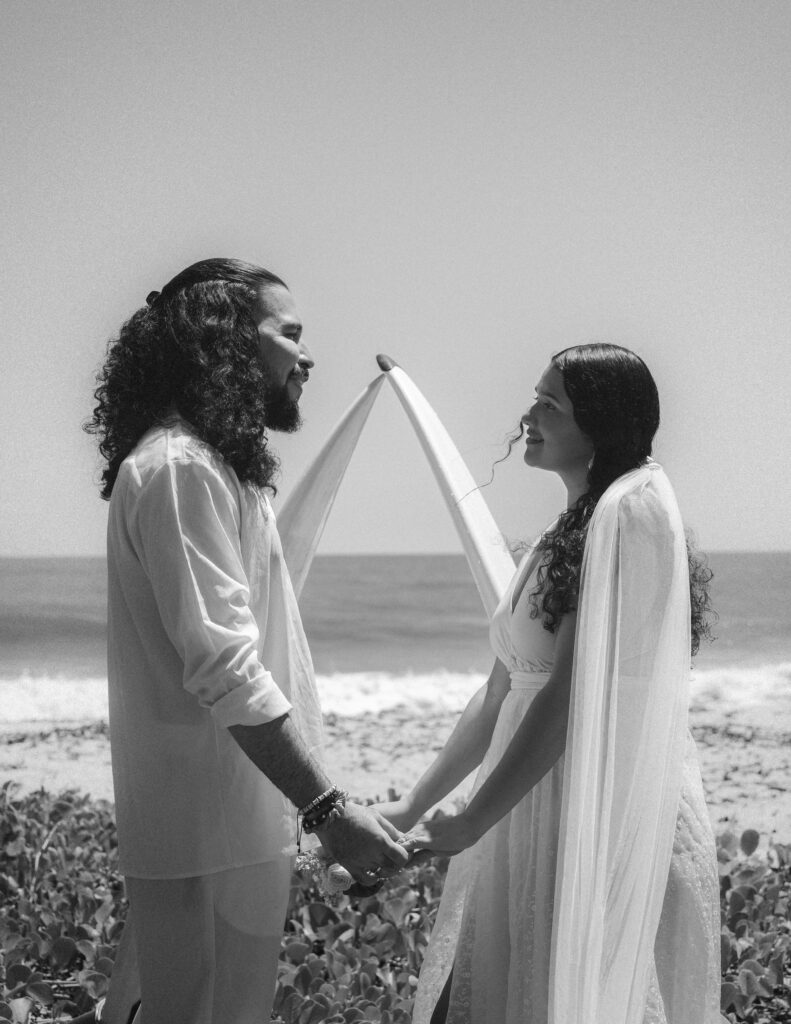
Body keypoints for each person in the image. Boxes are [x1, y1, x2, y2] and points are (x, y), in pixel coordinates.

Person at [84, 258, 408, 1024]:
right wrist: (328, 810)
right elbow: (225, 668)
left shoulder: (218, 468)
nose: (306, 355)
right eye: (289, 334)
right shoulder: (177, 469)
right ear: (228, 343)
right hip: (200, 832)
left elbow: (264, 643)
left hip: (233, 825)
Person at [377, 343, 722, 1024]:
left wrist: (474, 818)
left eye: (548, 403)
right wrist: (413, 807)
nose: (527, 414)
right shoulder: (560, 535)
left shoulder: (630, 518)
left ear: (597, 421)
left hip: (593, 815)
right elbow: (501, 693)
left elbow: (566, 700)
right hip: (528, 810)